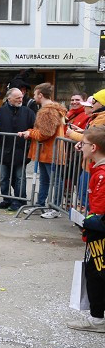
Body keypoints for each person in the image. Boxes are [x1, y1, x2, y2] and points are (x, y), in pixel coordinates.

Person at [72, 126, 105, 332]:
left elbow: (100, 212)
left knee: (96, 275)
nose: (80, 147)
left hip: (100, 235)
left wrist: (86, 222)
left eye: (83, 144)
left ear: (93, 147)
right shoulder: (98, 169)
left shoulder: (102, 174)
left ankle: (97, 319)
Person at [18, 84, 66, 218]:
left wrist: (29, 133)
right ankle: (41, 205)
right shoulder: (49, 109)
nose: (33, 97)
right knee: (46, 180)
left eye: (35, 94)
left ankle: (55, 208)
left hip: (50, 151)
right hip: (48, 151)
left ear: (40, 95)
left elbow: (45, 133)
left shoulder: (48, 111)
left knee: (54, 181)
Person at [0, 87, 35, 211]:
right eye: (17, 98)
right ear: (9, 98)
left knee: (19, 177)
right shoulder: (0, 112)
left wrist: (28, 133)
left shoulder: (28, 112)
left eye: (21, 97)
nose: (20, 99)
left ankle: (20, 200)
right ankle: (6, 199)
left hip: (21, 151)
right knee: (4, 177)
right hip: (4, 150)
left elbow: (33, 128)